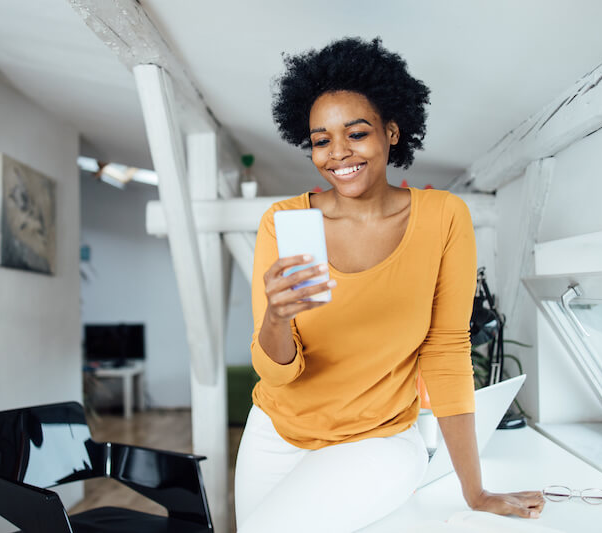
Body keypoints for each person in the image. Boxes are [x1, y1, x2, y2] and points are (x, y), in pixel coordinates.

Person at [233, 37, 545, 532]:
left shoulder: (444, 218)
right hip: (274, 436)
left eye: (356, 133)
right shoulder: (283, 221)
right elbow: (277, 375)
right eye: (321, 140)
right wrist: (276, 317)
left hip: (376, 443)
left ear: (392, 131)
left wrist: (475, 490)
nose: (338, 154)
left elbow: (446, 352)